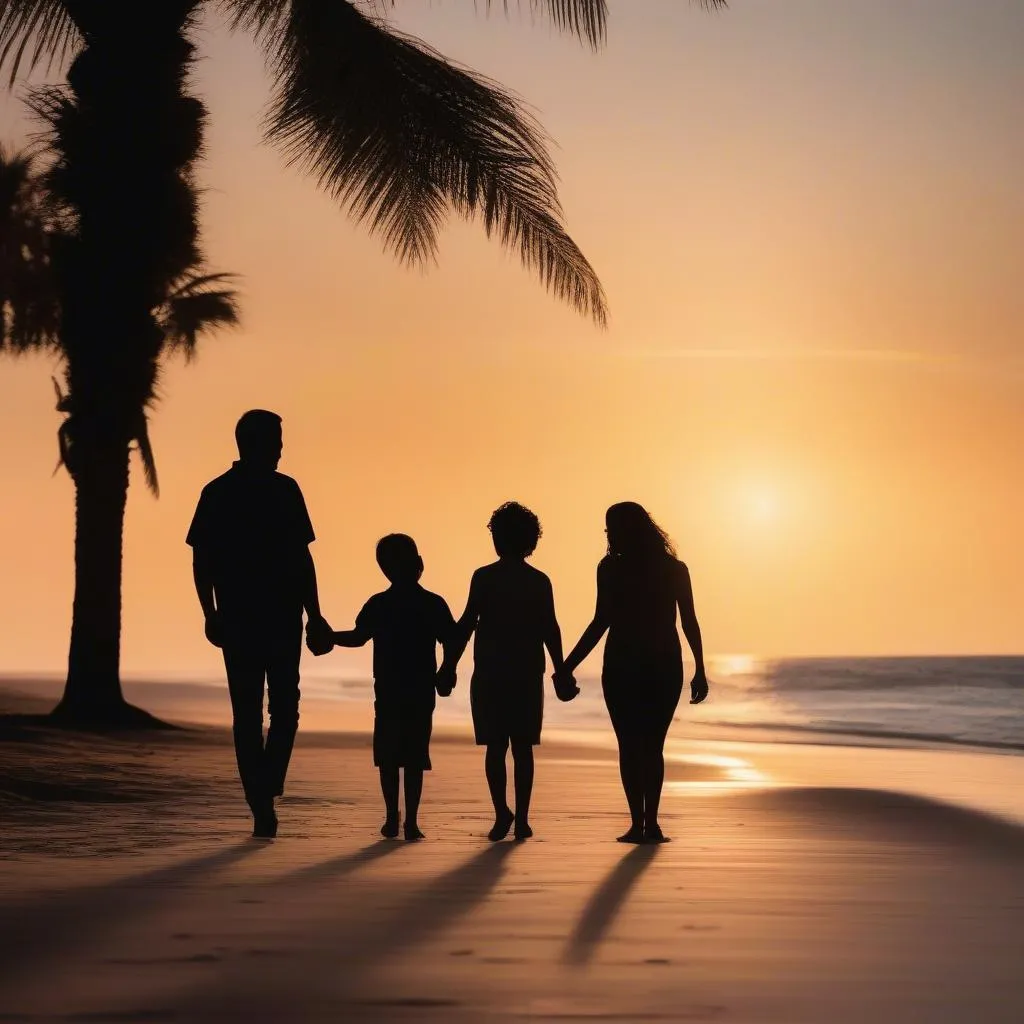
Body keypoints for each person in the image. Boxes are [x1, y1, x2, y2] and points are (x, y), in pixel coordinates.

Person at [187, 409, 331, 839]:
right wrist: (209, 612)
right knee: (256, 710)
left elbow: (303, 558)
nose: (282, 448)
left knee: (276, 708)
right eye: (277, 440)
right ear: (255, 443)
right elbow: (202, 560)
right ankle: (261, 799)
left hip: (272, 616)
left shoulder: (282, 490)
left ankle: (264, 787)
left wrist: (315, 612)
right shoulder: (221, 493)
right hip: (248, 617)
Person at [558, 502, 708, 845]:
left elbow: (601, 622)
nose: (609, 535)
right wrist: (699, 668)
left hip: (625, 664)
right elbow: (688, 623)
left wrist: (568, 665)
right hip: (663, 664)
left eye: (611, 528)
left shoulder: (612, 569)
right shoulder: (673, 568)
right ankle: (649, 824)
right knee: (652, 746)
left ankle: (639, 823)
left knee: (630, 745)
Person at [442, 502, 576, 842]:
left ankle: (503, 811)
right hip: (526, 674)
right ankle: (521, 818)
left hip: (491, 673)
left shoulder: (485, 577)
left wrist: (448, 665)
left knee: (496, 746)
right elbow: (551, 629)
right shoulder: (538, 581)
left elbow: (467, 623)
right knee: (522, 748)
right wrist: (560, 671)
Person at [310, 534, 456, 841]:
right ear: (420, 565)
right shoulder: (429, 603)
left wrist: (331, 638)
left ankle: (396, 817)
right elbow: (452, 640)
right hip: (412, 689)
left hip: (394, 689)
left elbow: (357, 636)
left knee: (392, 757)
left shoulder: (382, 604)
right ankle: (407, 821)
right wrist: (446, 670)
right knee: (411, 757)